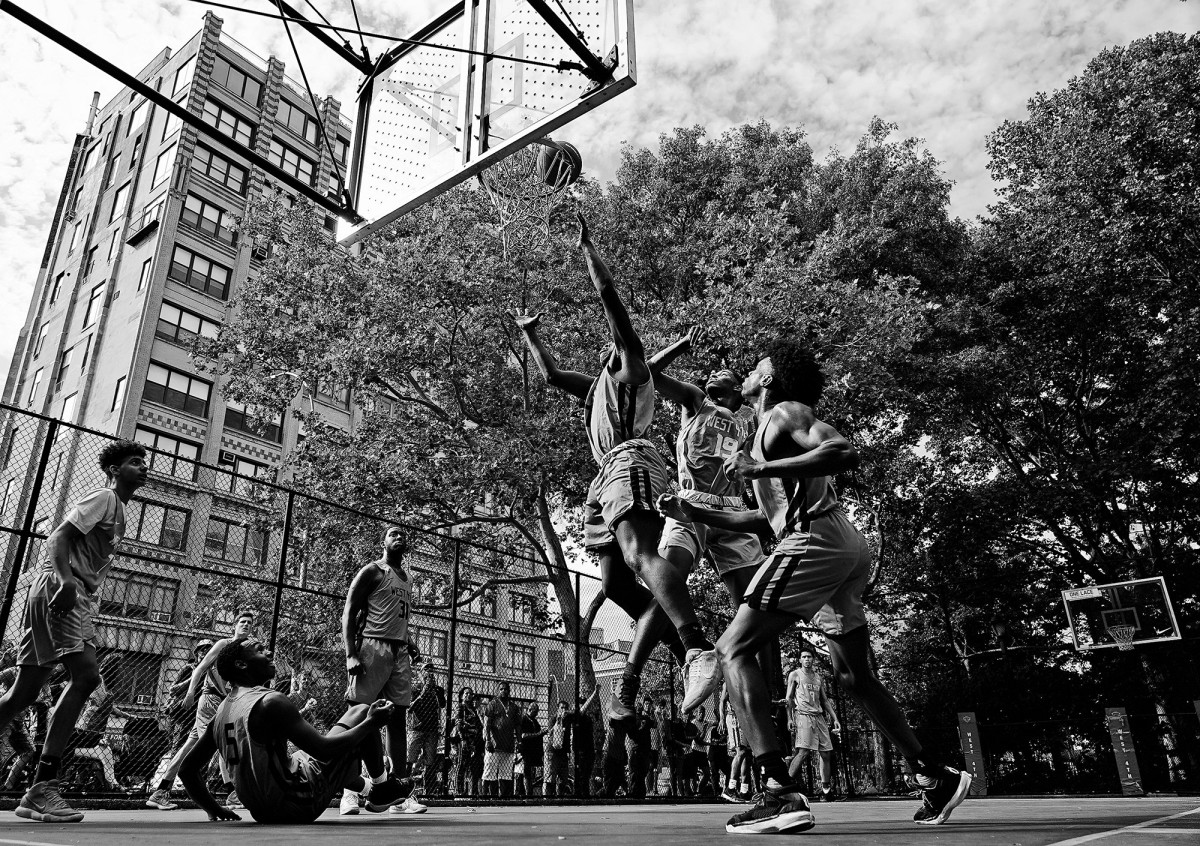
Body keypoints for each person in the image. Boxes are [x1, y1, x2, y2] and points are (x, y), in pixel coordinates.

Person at [659, 340, 972, 834]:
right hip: (839, 545)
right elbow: (763, 518)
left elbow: (843, 450)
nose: (746, 369)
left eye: (756, 364)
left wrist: (760, 468)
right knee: (854, 677)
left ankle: (779, 792)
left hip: (815, 542)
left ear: (768, 378)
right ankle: (935, 773)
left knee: (730, 649)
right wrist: (694, 513)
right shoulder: (764, 432)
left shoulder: (784, 412)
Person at [513, 213, 718, 723]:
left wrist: (587, 248)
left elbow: (611, 300)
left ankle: (695, 645)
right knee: (615, 583)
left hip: (632, 459)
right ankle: (678, 646)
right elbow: (550, 374)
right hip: (603, 477)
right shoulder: (600, 385)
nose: (612, 343)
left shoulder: (631, 367)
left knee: (638, 553)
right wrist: (532, 334)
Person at [0, 440, 147, 823]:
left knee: (26, 691)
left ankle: (39, 791)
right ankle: (43, 787)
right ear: (114, 470)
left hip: (63, 591)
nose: (143, 467)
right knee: (86, 676)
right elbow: (57, 537)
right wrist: (66, 581)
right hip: (63, 589)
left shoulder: (121, 510)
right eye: (135, 462)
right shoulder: (105, 497)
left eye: (144, 463)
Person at [178, 638, 412, 823]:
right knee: (361, 712)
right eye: (260, 650)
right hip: (299, 801)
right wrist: (372, 723)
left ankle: (370, 788)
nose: (269, 653)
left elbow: (187, 770)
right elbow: (325, 751)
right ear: (241, 664)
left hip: (262, 811)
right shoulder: (271, 701)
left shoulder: (221, 712)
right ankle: (381, 788)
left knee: (308, 755)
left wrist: (214, 808)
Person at [340, 526, 426, 816]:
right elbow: (350, 611)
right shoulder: (372, 571)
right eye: (394, 534)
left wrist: (410, 642)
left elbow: (394, 615)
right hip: (371, 648)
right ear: (383, 543)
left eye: (403, 534)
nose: (400, 537)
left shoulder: (408, 578)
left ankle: (399, 794)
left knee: (398, 718)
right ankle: (350, 792)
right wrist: (351, 653)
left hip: (399, 651)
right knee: (359, 714)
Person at [147, 612, 256, 811]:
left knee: (190, 746)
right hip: (210, 700)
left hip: (225, 702)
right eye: (242, 622)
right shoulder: (223, 645)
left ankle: (161, 790)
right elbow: (200, 668)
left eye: (249, 623)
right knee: (223, 740)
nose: (246, 625)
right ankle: (231, 793)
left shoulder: (245, 651)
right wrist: (189, 693)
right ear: (235, 625)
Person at [69, 653, 135, 790]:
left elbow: (108, 706)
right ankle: (112, 785)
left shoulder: (107, 686)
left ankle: (110, 785)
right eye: (119, 667)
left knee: (106, 753)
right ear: (112, 668)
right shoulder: (98, 680)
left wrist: (126, 715)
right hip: (85, 729)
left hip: (95, 731)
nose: (121, 672)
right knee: (105, 752)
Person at [783, 647, 841, 800]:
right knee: (803, 752)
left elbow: (825, 700)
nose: (807, 659)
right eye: (804, 657)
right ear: (800, 659)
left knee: (826, 753)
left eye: (809, 656)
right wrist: (789, 718)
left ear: (813, 659)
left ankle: (826, 790)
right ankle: (784, 788)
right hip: (803, 716)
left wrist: (835, 718)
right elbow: (788, 699)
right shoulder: (795, 675)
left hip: (818, 717)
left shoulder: (817, 678)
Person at [406, 662, 445, 801]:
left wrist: (434, 690)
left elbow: (443, 705)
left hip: (432, 729)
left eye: (432, 669)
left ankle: (429, 791)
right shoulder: (415, 688)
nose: (429, 672)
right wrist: (423, 693)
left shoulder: (438, 690)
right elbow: (410, 708)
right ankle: (405, 790)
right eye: (426, 669)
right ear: (421, 673)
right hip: (416, 729)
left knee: (430, 761)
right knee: (410, 759)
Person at [483, 682, 520, 797]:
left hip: (508, 745)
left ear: (509, 691)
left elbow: (518, 726)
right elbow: (487, 724)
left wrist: (519, 741)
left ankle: (504, 798)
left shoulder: (514, 707)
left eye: (506, 689)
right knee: (490, 772)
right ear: (497, 690)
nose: (503, 691)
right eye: (501, 689)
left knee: (506, 774)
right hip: (494, 744)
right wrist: (488, 740)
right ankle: (487, 798)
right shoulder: (492, 704)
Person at [720, 684, 753, 803]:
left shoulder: (747, 677)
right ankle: (730, 788)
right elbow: (722, 701)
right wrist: (722, 719)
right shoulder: (729, 680)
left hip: (746, 719)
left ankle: (744, 791)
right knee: (741, 751)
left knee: (747, 755)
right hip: (735, 718)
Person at [449, 687, 483, 796]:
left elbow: (479, 725)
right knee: (461, 764)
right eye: (466, 693)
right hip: (463, 740)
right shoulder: (460, 707)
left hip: (472, 741)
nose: (469, 695)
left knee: (470, 766)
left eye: (471, 693)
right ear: (462, 695)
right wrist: (462, 739)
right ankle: (458, 791)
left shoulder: (474, 709)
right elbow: (458, 723)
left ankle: (469, 791)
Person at [517, 703, 546, 796]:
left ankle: (528, 792)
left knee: (530, 773)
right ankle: (526, 793)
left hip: (534, 752)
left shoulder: (535, 722)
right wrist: (538, 734)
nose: (537, 713)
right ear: (530, 710)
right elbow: (523, 735)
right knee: (525, 773)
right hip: (525, 751)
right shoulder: (524, 719)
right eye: (535, 711)